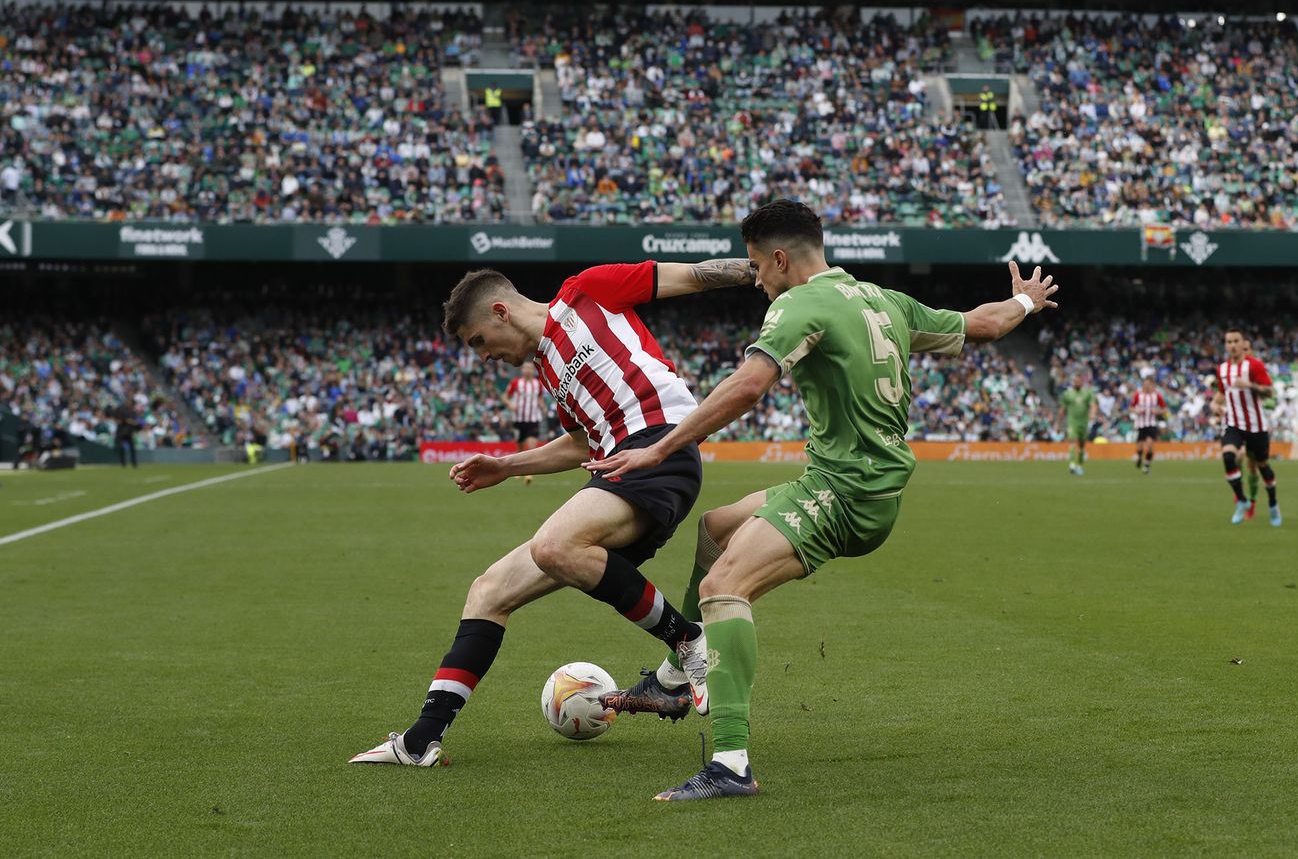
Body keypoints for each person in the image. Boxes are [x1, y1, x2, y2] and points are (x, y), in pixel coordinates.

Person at [584, 200, 1059, 801]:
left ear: (781, 259)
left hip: (846, 491)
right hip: (854, 482)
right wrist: (1024, 302)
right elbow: (982, 324)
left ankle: (731, 765)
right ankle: (679, 676)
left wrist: (662, 448)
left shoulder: (797, 305)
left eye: (757, 266)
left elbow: (749, 384)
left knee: (722, 588)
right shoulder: (884, 301)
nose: (755, 279)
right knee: (714, 528)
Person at [351, 256, 756, 768]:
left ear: (501, 312)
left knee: (553, 545)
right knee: (489, 589)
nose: (484, 357)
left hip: (662, 448)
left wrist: (760, 268)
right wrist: (506, 464)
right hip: (617, 470)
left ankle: (690, 643)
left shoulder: (587, 293)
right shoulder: (548, 369)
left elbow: (694, 276)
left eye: (479, 342)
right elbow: (579, 444)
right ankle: (419, 741)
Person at [1217, 329, 1280, 527]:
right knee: (1228, 456)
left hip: (1256, 426)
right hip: (1234, 424)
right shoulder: (1222, 369)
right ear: (1225, 345)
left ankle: (1273, 504)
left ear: (1243, 343)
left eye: (1236, 341)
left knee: (1262, 467)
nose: (1233, 345)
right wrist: (1214, 403)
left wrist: (1249, 385)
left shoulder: (1254, 366)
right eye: (1229, 342)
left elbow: (1270, 392)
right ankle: (1242, 500)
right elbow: (1222, 392)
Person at [504, 361, 548, 486]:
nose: (528, 370)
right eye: (526, 368)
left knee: (532, 445)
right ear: (522, 370)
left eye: (530, 368)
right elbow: (505, 397)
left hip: (533, 419)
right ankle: (519, 470)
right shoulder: (516, 383)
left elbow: (539, 398)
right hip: (518, 419)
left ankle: (529, 473)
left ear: (532, 370)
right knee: (520, 447)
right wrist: (510, 404)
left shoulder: (537, 384)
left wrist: (542, 406)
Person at [1057, 370, 1099, 475]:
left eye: (1079, 381)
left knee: (1081, 445)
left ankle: (1079, 465)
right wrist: (1058, 423)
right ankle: (1072, 465)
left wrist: (1093, 414)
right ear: (1073, 382)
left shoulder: (1087, 393)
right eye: (1075, 381)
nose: (1077, 383)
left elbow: (1093, 405)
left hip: (1084, 422)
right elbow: (1062, 410)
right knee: (1071, 441)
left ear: (1082, 382)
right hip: (1072, 422)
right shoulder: (1067, 394)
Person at [1130, 375, 1167, 474]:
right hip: (1141, 424)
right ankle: (1139, 458)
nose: (1146, 386)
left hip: (1151, 423)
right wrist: (1136, 411)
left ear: (1152, 385)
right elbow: (1131, 408)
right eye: (1144, 384)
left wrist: (1157, 412)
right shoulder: (1138, 395)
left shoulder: (1157, 395)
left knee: (1150, 445)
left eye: (1148, 384)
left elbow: (1164, 409)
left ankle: (1146, 466)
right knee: (1139, 447)